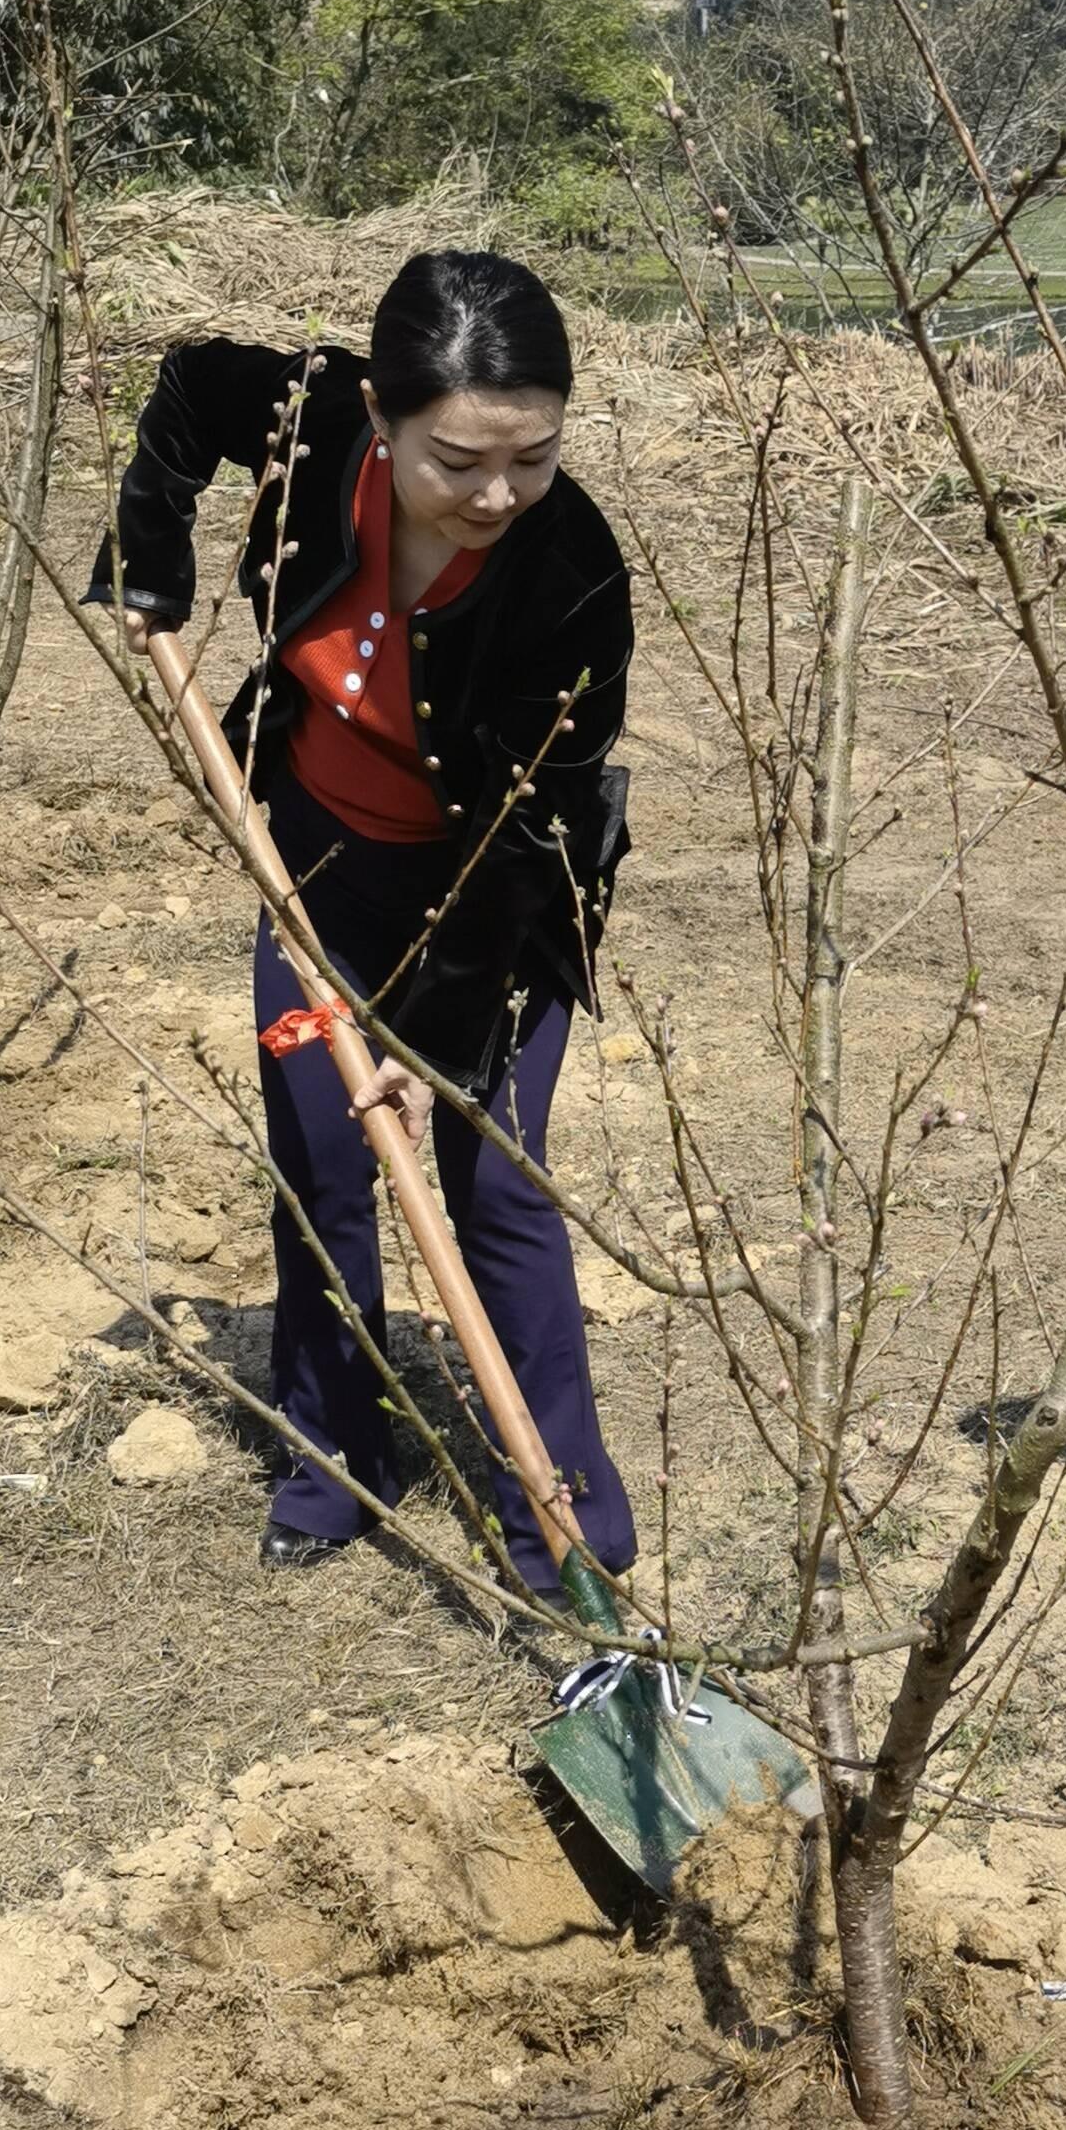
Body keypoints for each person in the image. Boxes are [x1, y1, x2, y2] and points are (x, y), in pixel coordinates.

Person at [89, 248, 638, 1586]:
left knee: (494, 1175)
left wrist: (441, 1030)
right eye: (459, 459)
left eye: (535, 456)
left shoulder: (570, 576)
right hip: (319, 867)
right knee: (323, 1161)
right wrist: (149, 546)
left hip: (494, 895)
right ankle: (336, 1456)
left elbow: (531, 837)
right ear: (384, 419)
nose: (498, 493)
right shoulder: (310, 417)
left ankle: (556, 1510)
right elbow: (186, 393)